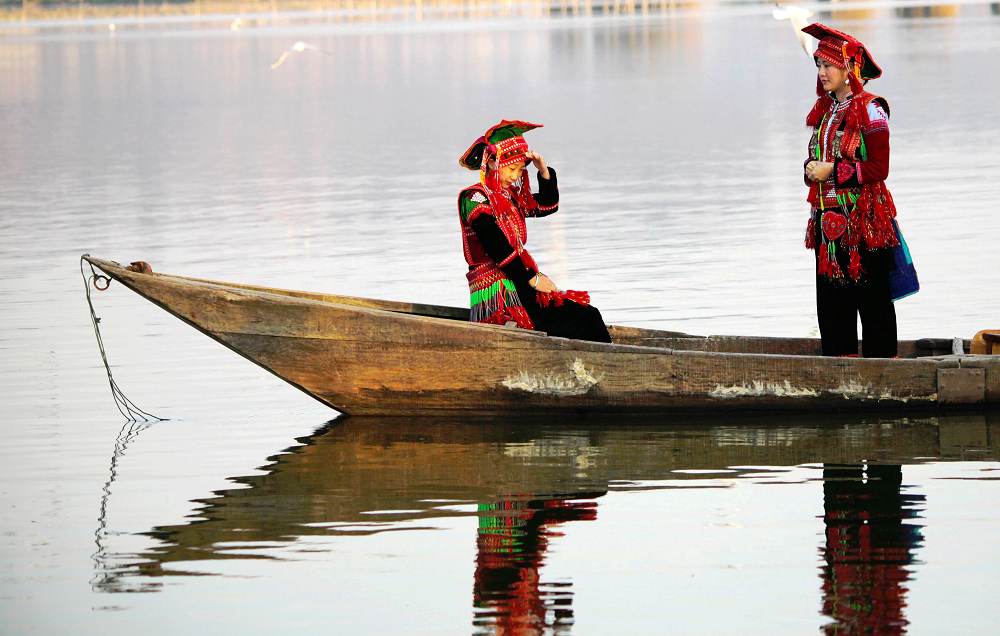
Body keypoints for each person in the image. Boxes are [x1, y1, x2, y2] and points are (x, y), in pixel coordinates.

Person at [457, 120, 611, 343]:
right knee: (584, 318)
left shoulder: (509, 197)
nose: (515, 176)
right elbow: (497, 247)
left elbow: (548, 205)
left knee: (588, 315)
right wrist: (533, 279)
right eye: (511, 169)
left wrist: (544, 171)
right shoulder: (474, 199)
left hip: (518, 281)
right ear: (491, 162)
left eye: (520, 170)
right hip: (501, 292)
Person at [802, 24, 899, 358]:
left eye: (828, 65)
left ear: (848, 69)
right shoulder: (827, 112)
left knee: (872, 304)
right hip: (827, 224)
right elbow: (816, 156)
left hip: (864, 222)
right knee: (832, 306)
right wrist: (810, 169)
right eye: (819, 65)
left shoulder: (872, 110)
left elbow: (878, 169)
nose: (822, 72)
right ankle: (840, 372)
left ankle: (883, 373)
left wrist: (833, 171)